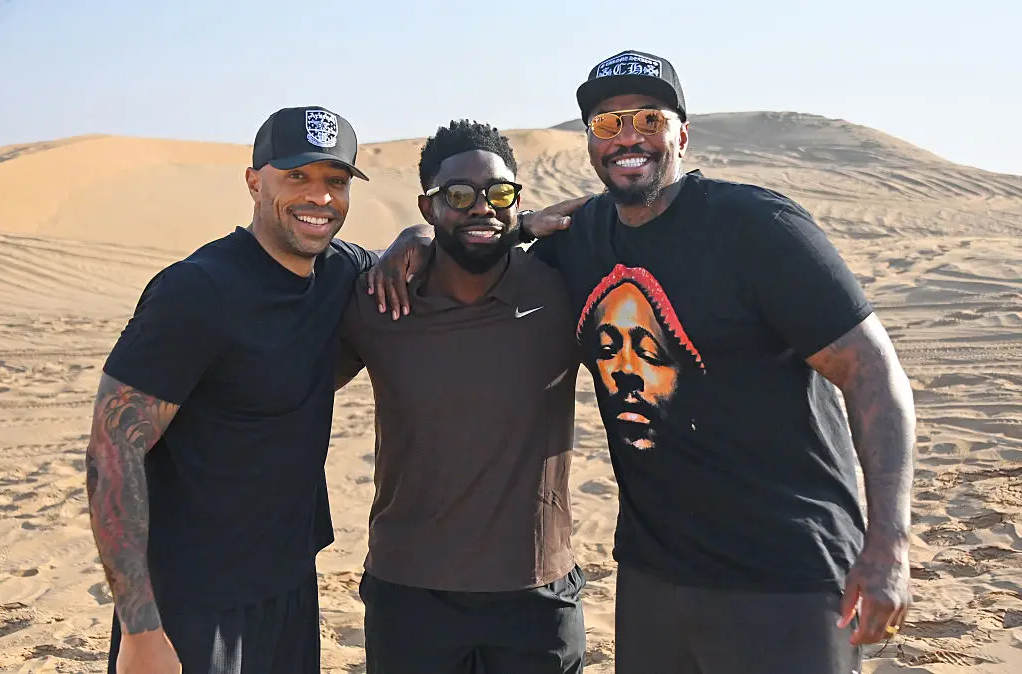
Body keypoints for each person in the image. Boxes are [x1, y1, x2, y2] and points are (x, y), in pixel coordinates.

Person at [370, 49, 917, 674]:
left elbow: (873, 372)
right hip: (653, 580)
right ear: (590, 144)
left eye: (647, 120)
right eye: (607, 124)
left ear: (681, 134)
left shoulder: (756, 228)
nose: (627, 137)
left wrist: (889, 546)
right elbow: (484, 234)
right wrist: (416, 237)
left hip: (785, 576)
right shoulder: (581, 242)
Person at [85, 105, 378, 674]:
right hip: (191, 605)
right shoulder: (196, 292)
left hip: (290, 585)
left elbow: (419, 254)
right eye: (296, 176)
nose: (319, 197)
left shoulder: (339, 271)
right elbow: (111, 452)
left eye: (335, 181)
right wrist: (140, 629)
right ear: (252, 181)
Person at [336, 120, 587, 674]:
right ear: (428, 208)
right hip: (410, 595)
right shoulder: (381, 299)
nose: (482, 207)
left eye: (499, 194)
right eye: (459, 195)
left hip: (536, 594)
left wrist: (514, 226)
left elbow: (618, 212)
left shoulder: (560, 289)